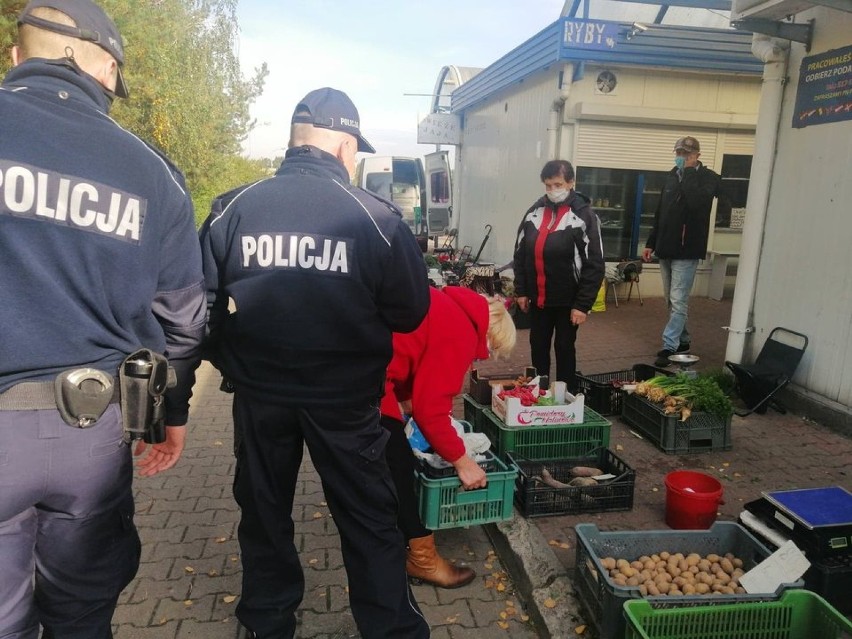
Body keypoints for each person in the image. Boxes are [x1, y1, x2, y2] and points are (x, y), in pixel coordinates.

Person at [0, 1, 206, 636]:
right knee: (83, 615)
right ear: (108, 72)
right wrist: (171, 415)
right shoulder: (151, 173)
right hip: (92, 434)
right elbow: (183, 322)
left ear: (16, 57)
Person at [199, 87, 432, 639]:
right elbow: (410, 311)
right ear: (346, 147)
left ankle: (266, 622)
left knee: (263, 511)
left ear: (293, 141)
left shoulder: (234, 206)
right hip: (346, 401)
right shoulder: (375, 218)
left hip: (259, 397)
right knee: (368, 517)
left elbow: (195, 307)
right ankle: (391, 629)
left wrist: (228, 355)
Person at [381, 286, 516, 588]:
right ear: (491, 335)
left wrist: (408, 401)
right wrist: (462, 461)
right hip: (366, 381)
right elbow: (431, 411)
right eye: (492, 349)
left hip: (369, 371)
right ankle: (422, 560)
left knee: (393, 459)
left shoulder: (447, 304)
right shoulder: (462, 331)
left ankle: (400, 545)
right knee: (398, 464)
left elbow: (411, 352)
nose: (484, 357)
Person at [512, 160, 605, 391]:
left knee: (564, 347)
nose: (553, 190)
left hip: (568, 301)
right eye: (548, 185)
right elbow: (520, 254)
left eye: (558, 184)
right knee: (537, 345)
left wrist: (582, 305)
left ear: (571, 182)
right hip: (539, 299)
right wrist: (521, 291)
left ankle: (566, 396)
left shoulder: (584, 216)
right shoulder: (533, 213)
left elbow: (594, 263)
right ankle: (539, 391)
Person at [642, 136, 722, 368]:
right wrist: (650, 243)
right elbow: (661, 213)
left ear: (697, 155)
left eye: (687, 154)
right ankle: (684, 340)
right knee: (671, 299)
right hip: (666, 247)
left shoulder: (709, 178)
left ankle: (669, 346)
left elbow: (698, 204)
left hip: (688, 249)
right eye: (679, 152)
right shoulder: (670, 176)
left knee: (678, 299)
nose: (682, 157)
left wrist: (687, 174)